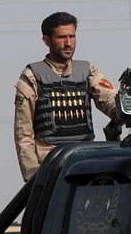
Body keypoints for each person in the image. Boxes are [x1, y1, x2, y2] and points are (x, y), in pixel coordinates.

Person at [14, 12, 119, 181]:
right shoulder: (32, 76)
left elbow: (109, 100)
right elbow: (23, 133)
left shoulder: (87, 71)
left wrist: (124, 109)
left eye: (72, 36)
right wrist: (33, 175)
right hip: (49, 162)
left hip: (85, 159)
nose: (68, 43)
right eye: (62, 37)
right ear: (46, 40)